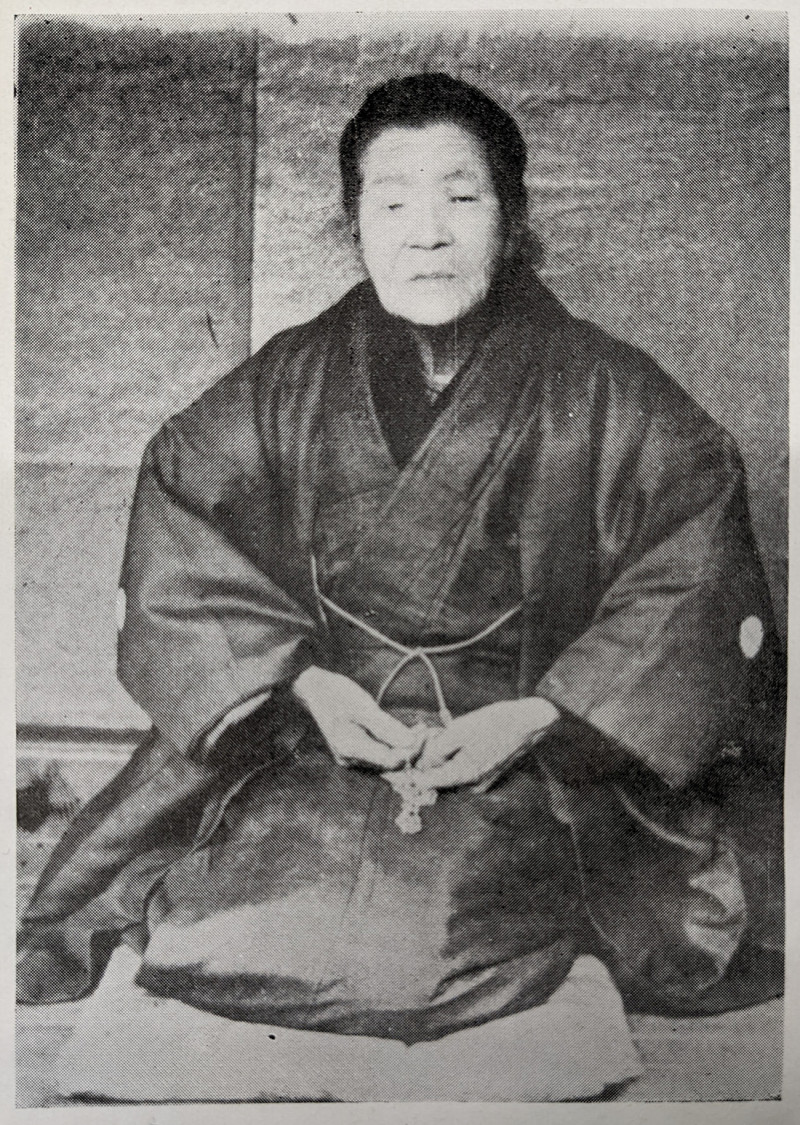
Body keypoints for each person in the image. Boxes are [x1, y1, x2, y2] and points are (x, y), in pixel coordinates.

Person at [18, 73, 783, 1096]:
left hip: (528, 756)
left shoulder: (604, 391)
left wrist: (535, 716)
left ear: (509, 219)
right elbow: (183, 514)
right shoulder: (291, 380)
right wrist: (301, 686)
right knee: (236, 934)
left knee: (421, 960)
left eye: (459, 199)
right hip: (310, 741)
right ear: (354, 224)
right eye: (391, 204)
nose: (425, 234)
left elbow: (691, 573)